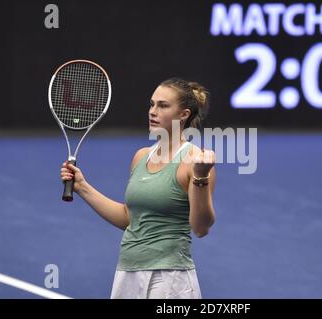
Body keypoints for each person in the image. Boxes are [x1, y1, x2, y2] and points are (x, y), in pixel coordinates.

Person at [60, 78, 216, 299]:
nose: (153, 111)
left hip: (169, 277)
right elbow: (129, 218)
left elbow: (201, 228)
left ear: (183, 114)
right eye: (151, 104)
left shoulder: (194, 160)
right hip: (128, 271)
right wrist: (82, 186)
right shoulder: (141, 157)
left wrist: (201, 176)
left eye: (163, 105)